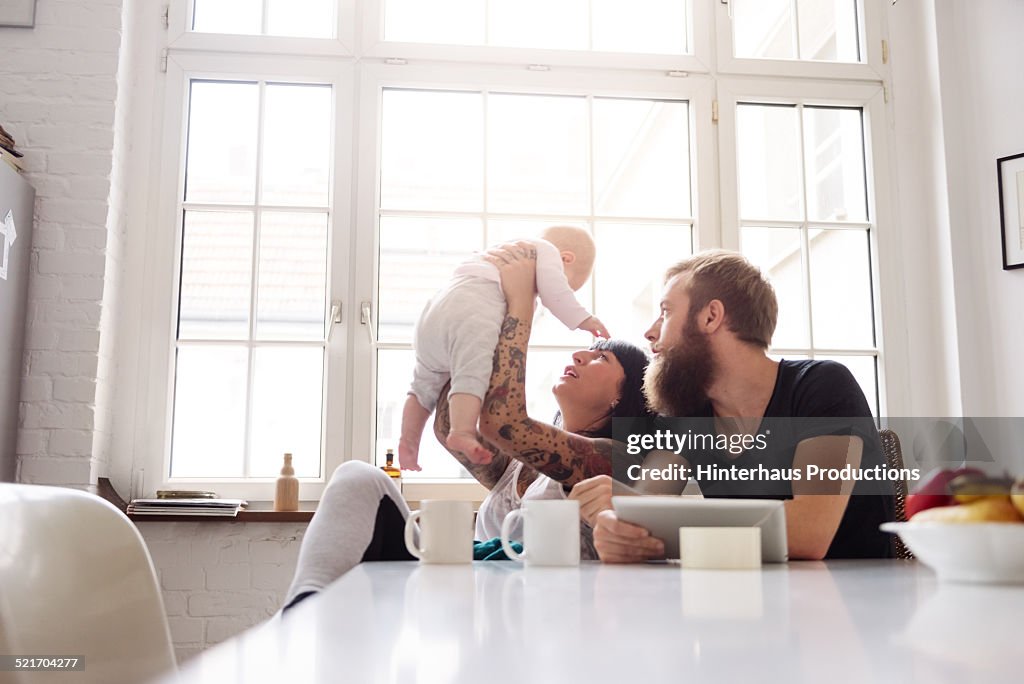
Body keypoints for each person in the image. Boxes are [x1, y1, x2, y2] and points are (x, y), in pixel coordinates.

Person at [283, 242, 650, 610]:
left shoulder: (613, 458)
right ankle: (302, 609)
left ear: (623, 395)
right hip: (472, 598)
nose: (580, 353)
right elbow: (448, 430)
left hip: (540, 616)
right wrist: (472, 316)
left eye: (602, 357)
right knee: (357, 477)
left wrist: (521, 302)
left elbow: (503, 423)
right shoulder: (520, 466)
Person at [570, 250, 896, 562]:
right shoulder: (687, 415)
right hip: (754, 598)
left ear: (711, 316)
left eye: (666, 312)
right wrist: (620, 526)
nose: (651, 332)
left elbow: (808, 533)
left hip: (856, 603)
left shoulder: (822, 384)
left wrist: (644, 515)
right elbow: (645, 507)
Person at [399, 226, 611, 471]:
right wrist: (584, 320)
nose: (544, 297)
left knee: (422, 385)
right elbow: (558, 297)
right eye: (570, 284)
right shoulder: (546, 252)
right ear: (566, 258)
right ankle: (463, 431)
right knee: (473, 371)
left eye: (602, 357)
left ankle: (408, 441)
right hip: (470, 313)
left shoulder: (505, 250)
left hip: (433, 314)